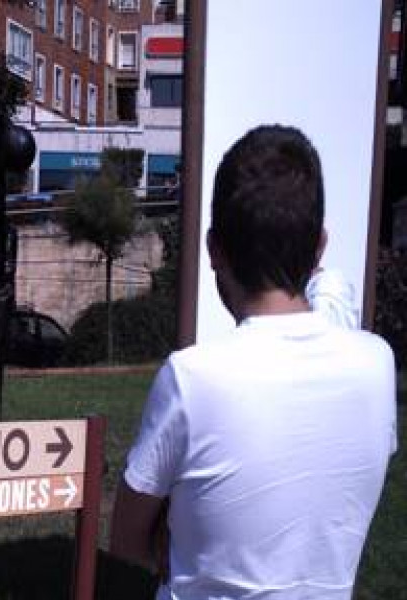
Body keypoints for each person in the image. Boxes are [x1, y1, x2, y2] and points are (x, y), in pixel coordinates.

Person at [109, 125, 397, 599]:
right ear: (320, 246)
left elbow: (126, 539)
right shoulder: (377, 365)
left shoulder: (191, 378)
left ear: (213, 250)